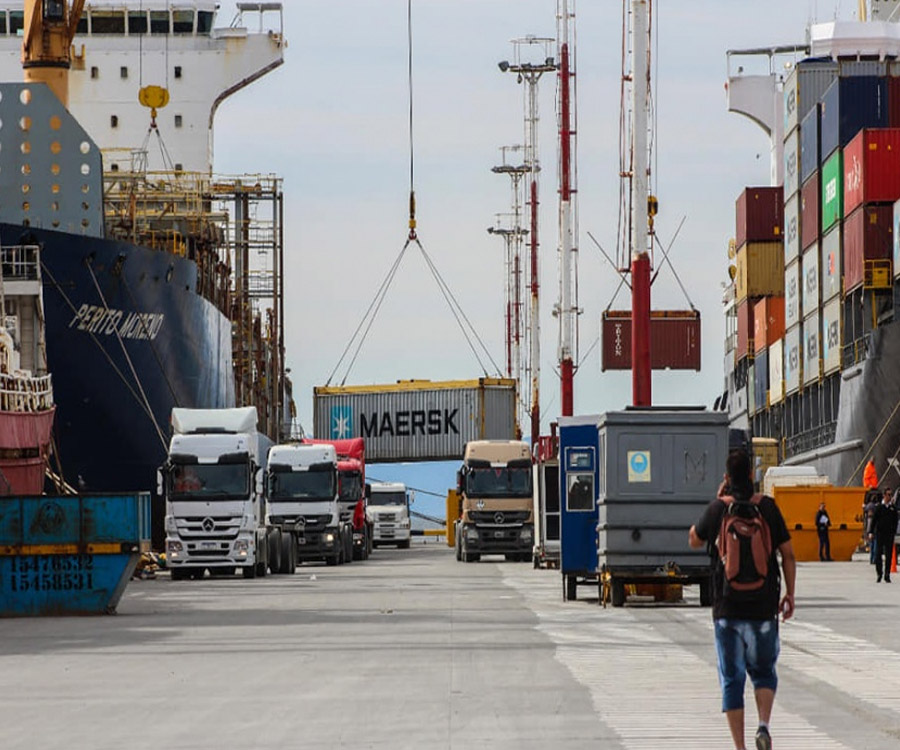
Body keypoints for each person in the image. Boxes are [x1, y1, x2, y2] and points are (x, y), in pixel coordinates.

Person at [689, 449, 796, 750]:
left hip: (727, 609)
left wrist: (717, 500)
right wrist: (790, 594)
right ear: (751, 475)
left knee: (732, 679)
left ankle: (740, 748)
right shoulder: (768, 508)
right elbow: (788, 554)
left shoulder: (718, 509)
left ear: (727, 477)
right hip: (763, 609)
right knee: (763, 672)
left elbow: (694, 539)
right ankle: (763, 725)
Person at [870, 489, 899, 583]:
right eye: (888, 495)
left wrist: (893, 531)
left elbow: (895, 521)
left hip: (889, 535)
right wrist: (871, 532)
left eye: (891, 495)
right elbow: (874, 521)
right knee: (878, 554)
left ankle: (887, 574)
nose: (890, 497)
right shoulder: (879, 508)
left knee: (889, 555)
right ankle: (879, 573)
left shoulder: (893, 508)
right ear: (884, 496)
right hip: (880, 534)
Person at [864, 491, 880, 564]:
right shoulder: (877, 507)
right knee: (875, 543)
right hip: (875, 527)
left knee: (871, 543)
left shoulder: (868, 506)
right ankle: (874, 558)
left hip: (869, 525)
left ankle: (871, 558)